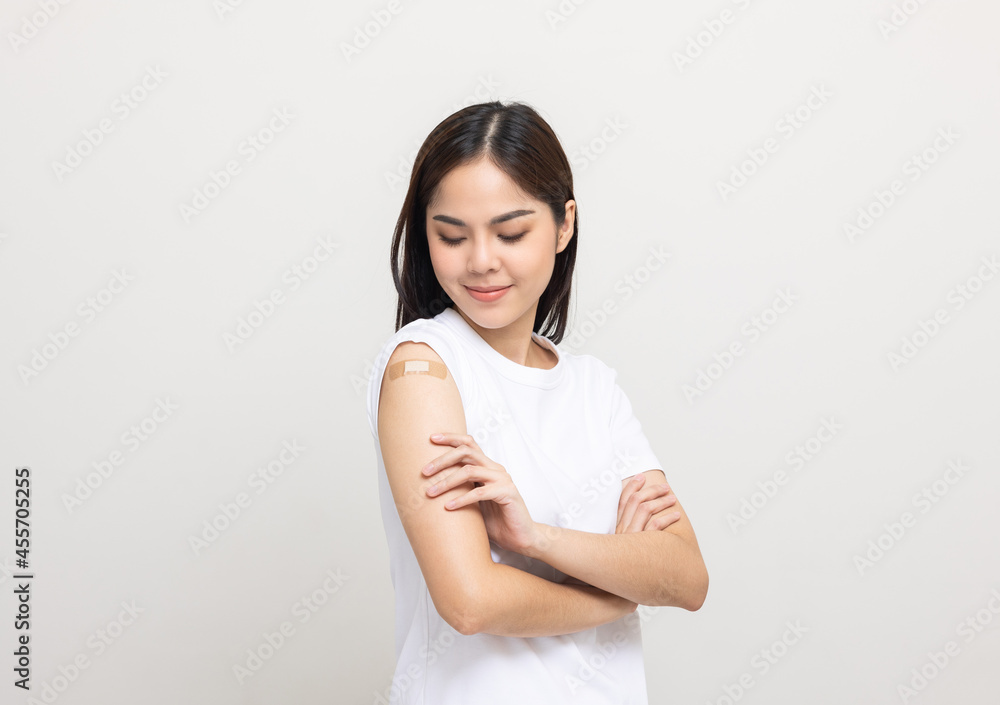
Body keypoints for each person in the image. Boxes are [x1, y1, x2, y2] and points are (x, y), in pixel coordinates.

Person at [366, 100, 708, 704]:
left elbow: (685, 577)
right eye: (451, 234)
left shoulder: (595, 387)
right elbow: (470, 602)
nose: (480, 261)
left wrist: (535, 539)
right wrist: (620, 587)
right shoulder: (422, 368)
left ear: (564, 224)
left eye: (511, 232)